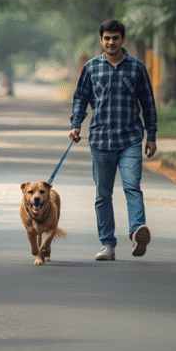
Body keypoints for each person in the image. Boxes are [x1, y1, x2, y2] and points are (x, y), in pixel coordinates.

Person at [70, 19, 158, 261]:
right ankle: (107, 245)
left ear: (122, 40)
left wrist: (151, 135)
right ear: (101, 40)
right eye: (106, 38)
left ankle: (137, 231)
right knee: (103, 194)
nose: (111, 42)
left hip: (130, 139)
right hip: (100, 140)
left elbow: (148, 103)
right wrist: (76, 124)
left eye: (115, 38)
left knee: (132, 187)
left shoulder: (137, 68)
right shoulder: (91, 68)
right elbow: (80, 99)